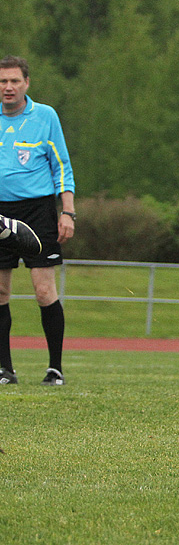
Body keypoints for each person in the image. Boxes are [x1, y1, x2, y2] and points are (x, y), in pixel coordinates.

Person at [0, 55, 76, 387]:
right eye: (3, 81)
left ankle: (55, 369)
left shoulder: (45, 116)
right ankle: (5, 369)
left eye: (14, 80)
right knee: (0, 291)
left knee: (43, 290)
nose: (8, 87)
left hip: (38, 211)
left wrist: (67, 211)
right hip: (0, 213)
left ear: (26, 83)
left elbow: (62, 166)